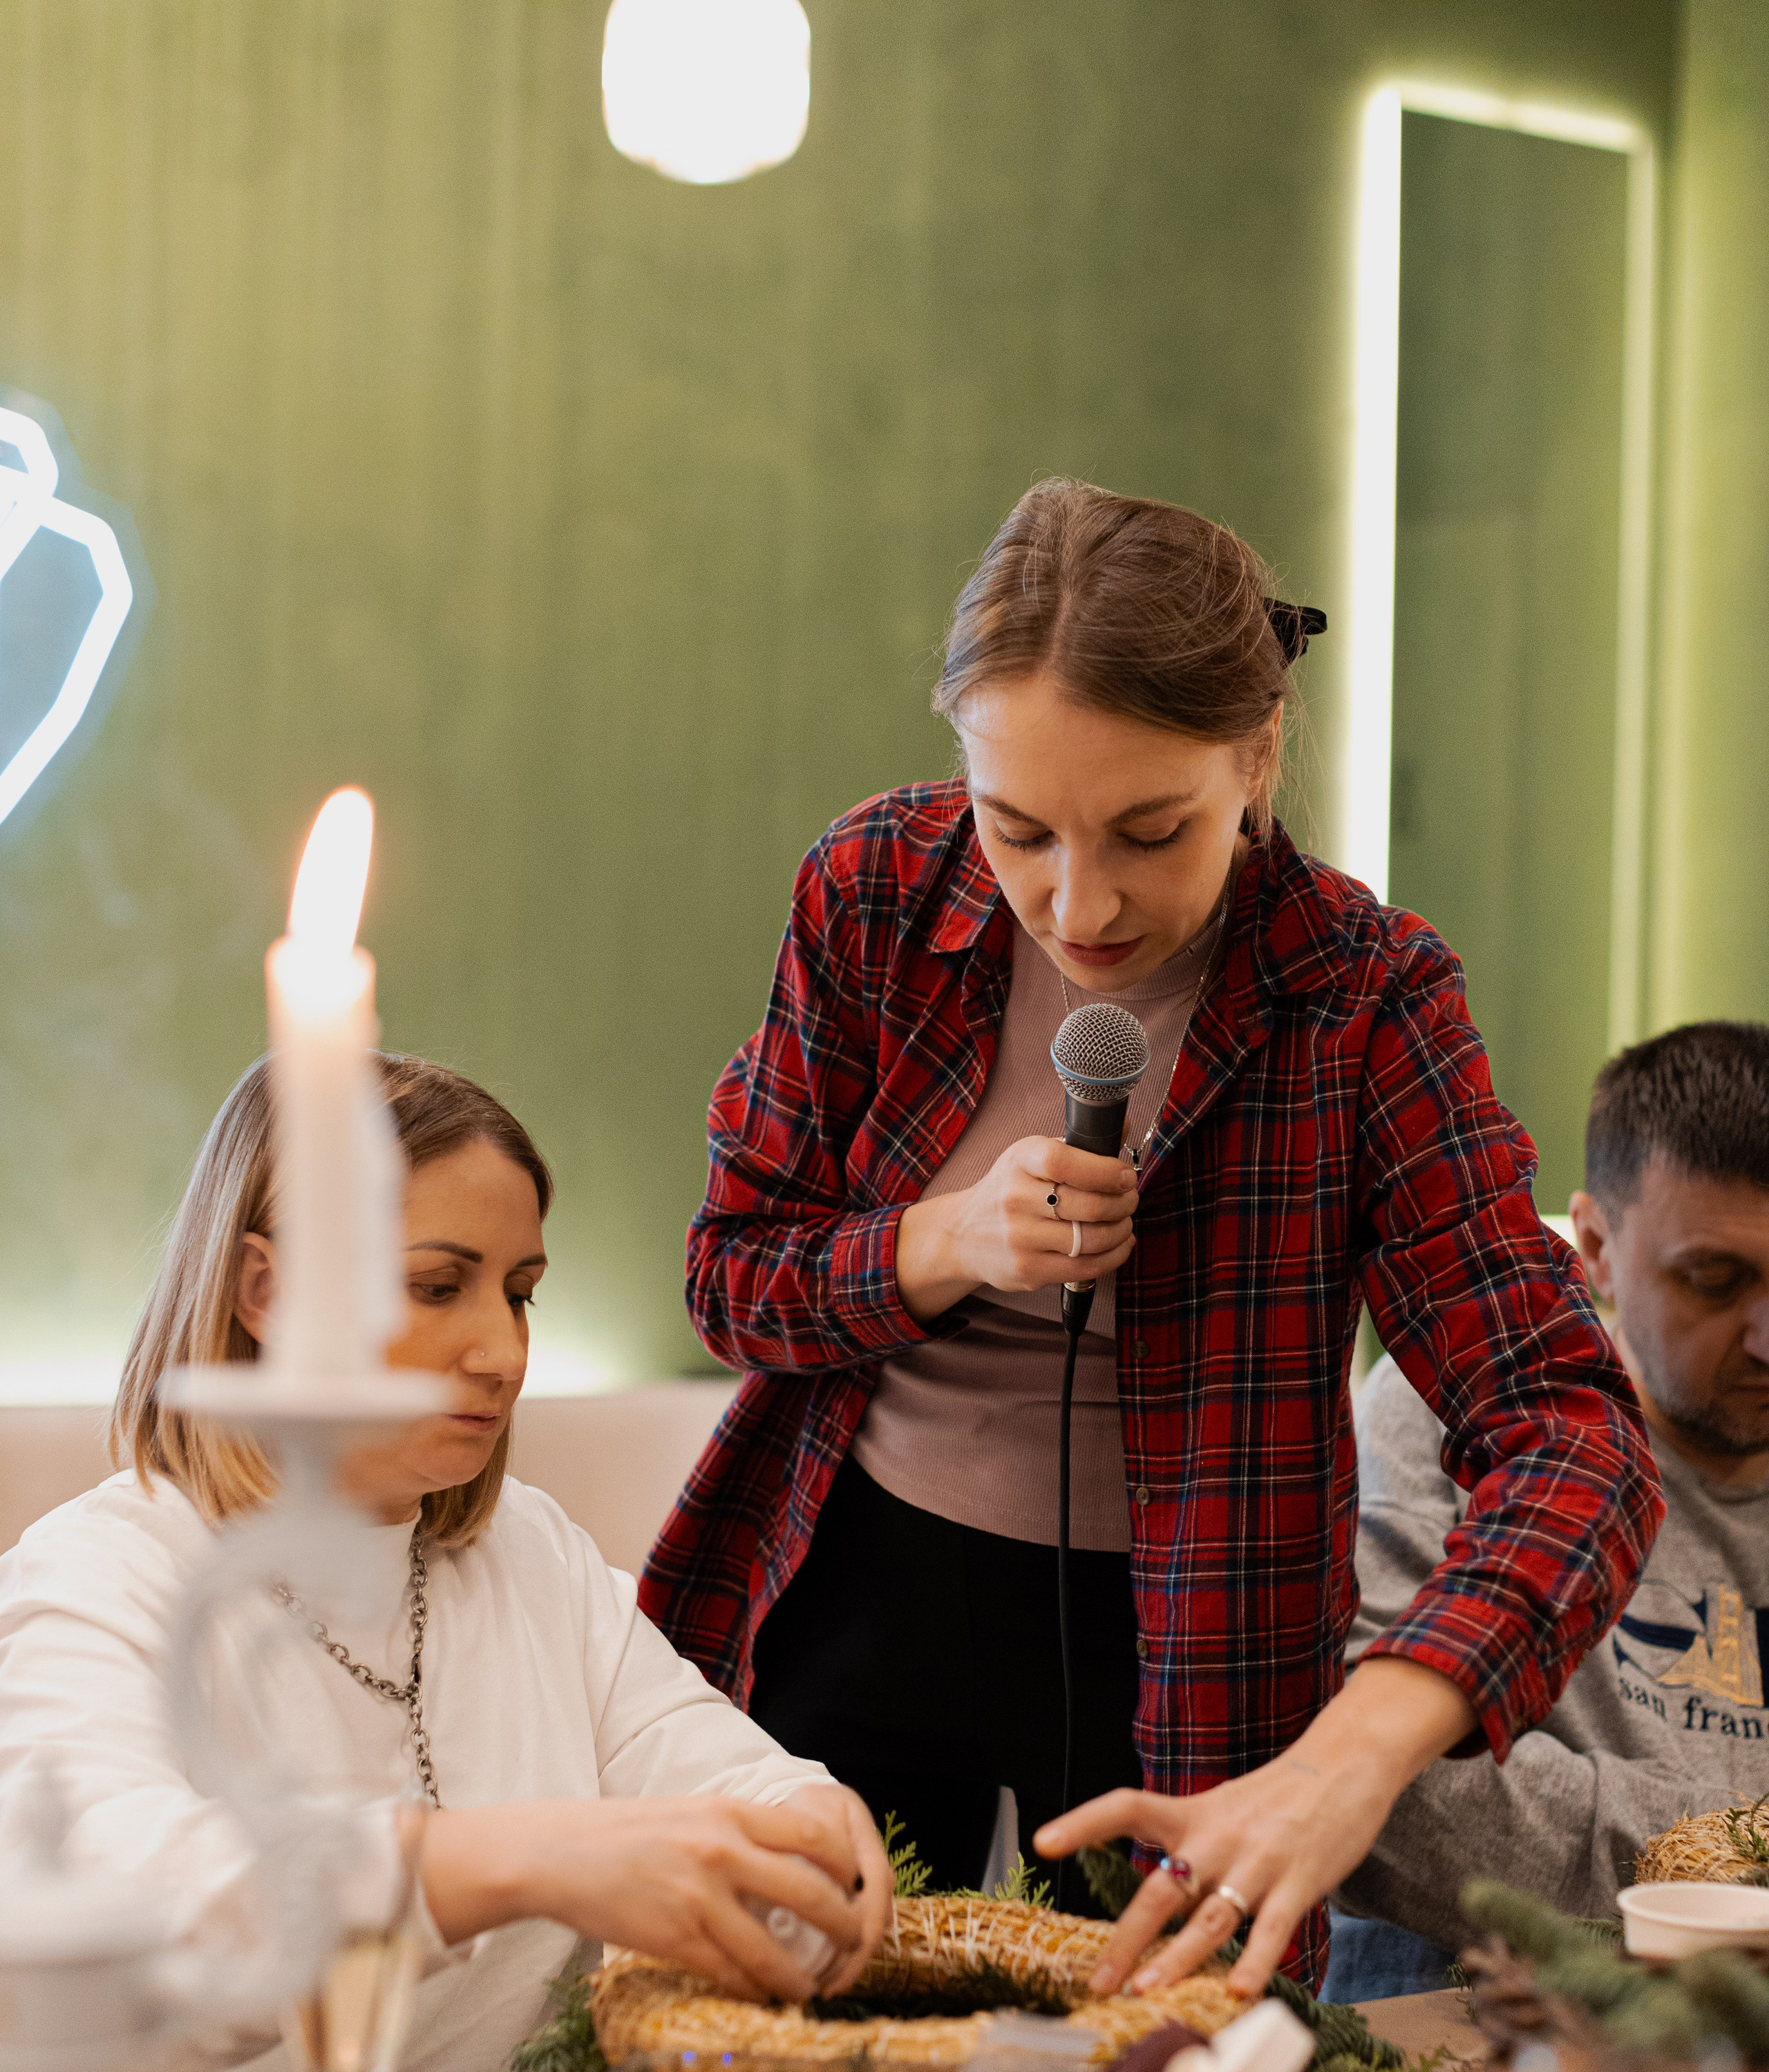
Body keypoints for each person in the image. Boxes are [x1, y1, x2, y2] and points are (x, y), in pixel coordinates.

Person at [641, 477, 1661, 1994]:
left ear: (1253, 760)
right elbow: (731, 1277)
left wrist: (1360, 1747)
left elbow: (1571, 1429)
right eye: (1017, 829)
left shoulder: (1360, 1000)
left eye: (1148, 830)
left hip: (1194, 1662)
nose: (1079, 900)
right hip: (838, 1595)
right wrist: (944, 1242)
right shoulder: (869, 893)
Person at [0, 1054, 890, 2072]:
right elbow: (137, 1932)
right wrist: (524, 1861)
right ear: (265, 1293)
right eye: (437, 1287)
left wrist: (809, 1827)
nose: (504, 1353)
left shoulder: (529, 1555)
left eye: (519, 1292)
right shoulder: (100, 1576)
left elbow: (743, 1793)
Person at [1327, 1021, 1769, 1997]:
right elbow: (1369, 1787)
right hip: (1456, 2063)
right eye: (1715, 1281)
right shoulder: (1451, 1413)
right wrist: (1733, 1868)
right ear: (1599, 1248)